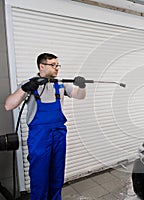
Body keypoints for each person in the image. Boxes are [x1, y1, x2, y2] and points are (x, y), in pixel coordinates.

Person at [5, 53, 86, 200]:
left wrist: (81, 86)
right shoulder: (29, 84)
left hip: (59, 134)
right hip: (39, 136)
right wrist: (25, 88)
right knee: (39, 175)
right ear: (42, 66)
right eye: (53, 65)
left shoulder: (60, 84)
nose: (57, 68)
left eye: (57, 65)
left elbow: (80, 95)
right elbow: (8, 105)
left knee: (57, 174)